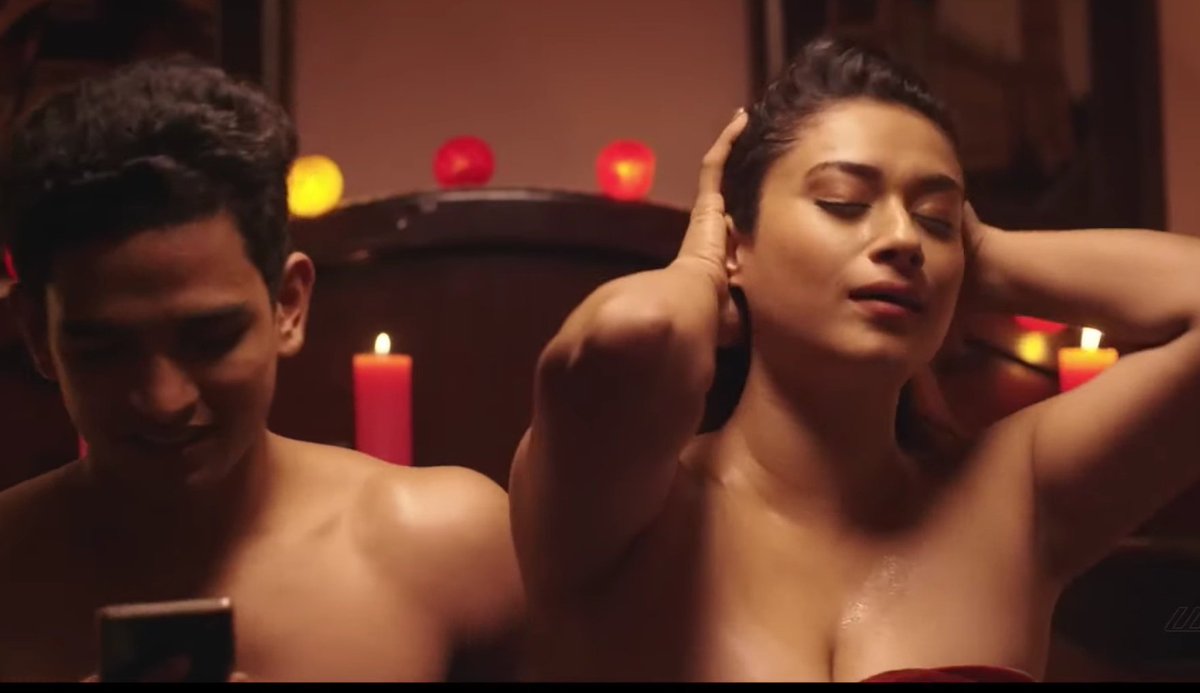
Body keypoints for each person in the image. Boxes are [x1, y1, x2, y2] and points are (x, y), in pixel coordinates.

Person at [508, 36, 1200, 682]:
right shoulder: (619, 512)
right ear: (736, 244)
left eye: (935, 219)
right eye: (844, 202)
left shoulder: (1016, 496)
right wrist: (699, 268)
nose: (904, 239)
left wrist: (989, 258)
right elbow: (628, 335)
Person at [0, 58, 523, 682]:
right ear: (37, 334)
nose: (164, 399)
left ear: (288, 305)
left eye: (211, 339)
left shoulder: (448, 549)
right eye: (104, 351)